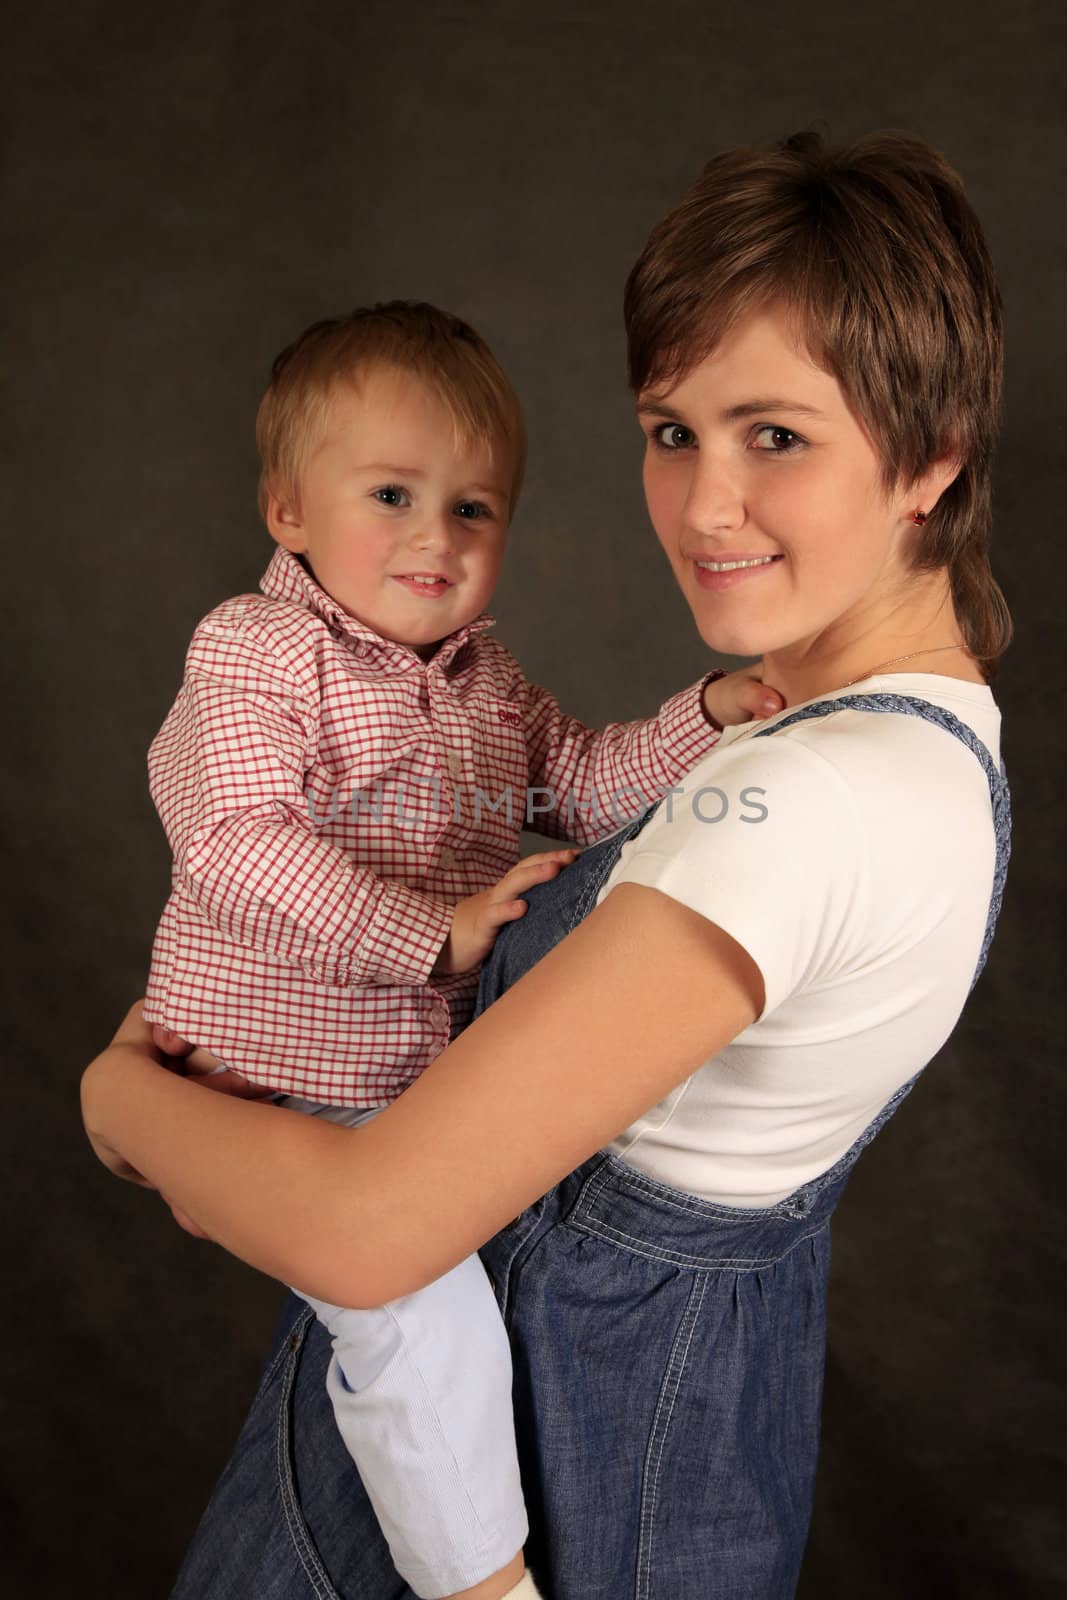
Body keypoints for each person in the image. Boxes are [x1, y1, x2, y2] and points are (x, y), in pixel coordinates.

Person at [82, 128, 1013, 1600]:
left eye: (775, 434)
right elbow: (260, 842)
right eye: (671, 431)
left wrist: (118, 1094)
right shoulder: (932, 752)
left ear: (932, 455)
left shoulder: (813, 800)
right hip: (639, 1439)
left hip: (553, 1476)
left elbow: (365, 1223)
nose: (705, 508)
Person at [138, 299, 781, 1600]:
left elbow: (586, 785)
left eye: (474, 509)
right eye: (392, 494)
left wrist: (704, 718)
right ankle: (482, 1586)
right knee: (412, 1307)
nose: (436, 537)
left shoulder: (486, 688)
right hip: (267, 1053)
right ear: (290, 513)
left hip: (396, 1078)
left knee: (459, 1307)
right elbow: (236, 843)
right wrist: (430, 933)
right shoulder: (258, 653)